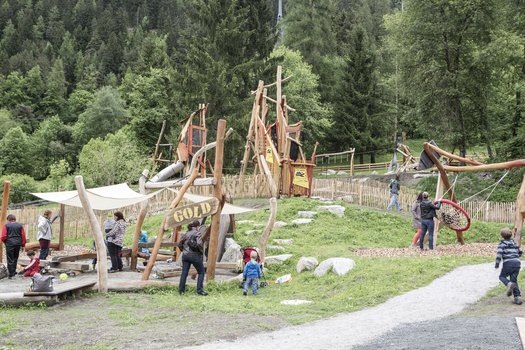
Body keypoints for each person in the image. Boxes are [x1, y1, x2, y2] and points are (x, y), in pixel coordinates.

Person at [178, 220, 207, 296]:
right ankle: (199, 290)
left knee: (184, 273)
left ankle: (181, 291)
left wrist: (183, 250)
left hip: (185, 255)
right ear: (198, 226)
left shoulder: (186, 233)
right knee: (201, 272)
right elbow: (199, 243)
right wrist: (200, 252)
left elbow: (179, 244)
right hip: (194, 255)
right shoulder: (197, 233)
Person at [495, 227, 523, 305]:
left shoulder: (502, 244)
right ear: (510, 235)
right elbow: (520, 252)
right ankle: (518, 298)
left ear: (502, 236)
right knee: (514, 280)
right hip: (517, 263)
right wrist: (516, 256)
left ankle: (508, 284)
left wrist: (497, 264)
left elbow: (499, 254)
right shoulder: (515, 243)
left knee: (502, 277)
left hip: (508, 263)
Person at [1, 214, 26, 279]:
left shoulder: (6, 225)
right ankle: (14, 271)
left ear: (8, 220)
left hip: (10, 243)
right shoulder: (20, 226)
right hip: (18, 243)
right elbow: (23, 235)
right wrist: (23, 244)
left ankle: (11, 274)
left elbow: (3, 236)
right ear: (15, 219)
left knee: (10, 258)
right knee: (15, 257)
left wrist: (5, 242)